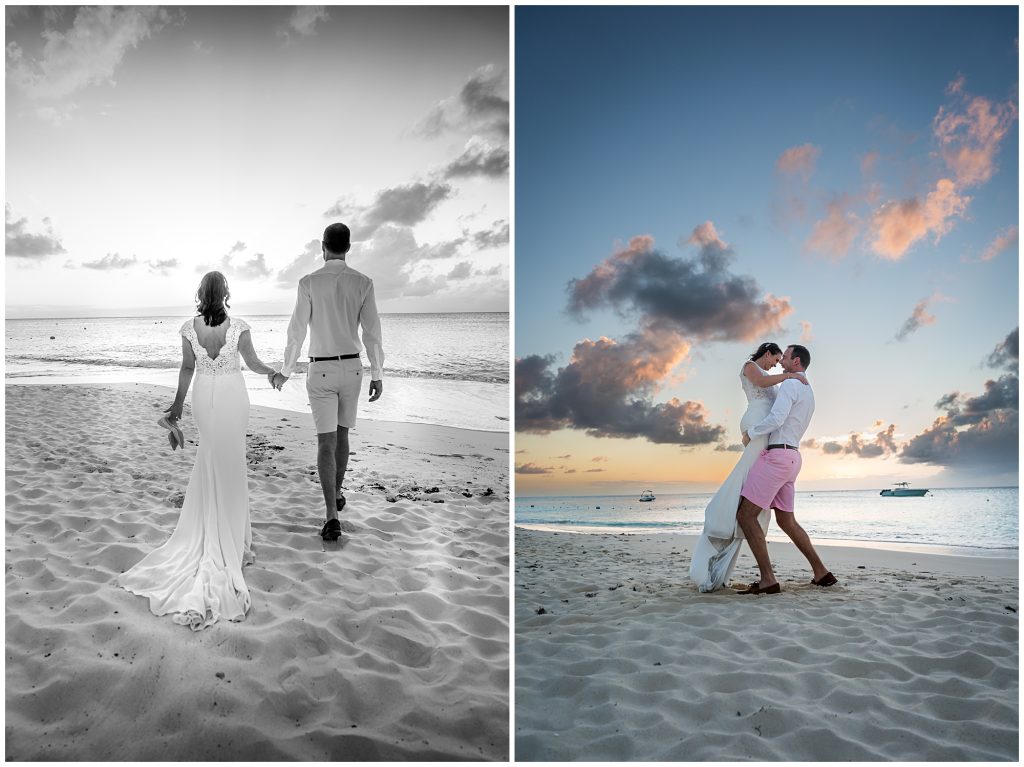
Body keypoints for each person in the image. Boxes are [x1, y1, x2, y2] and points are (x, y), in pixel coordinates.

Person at [118, 271, 279, 630]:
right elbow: (251, 364)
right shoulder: (238, 326)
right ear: (225, 294)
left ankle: (217, 530)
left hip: (203, 397)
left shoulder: (189, 328)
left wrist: (177, 408)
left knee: (210, 458)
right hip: (233, 395)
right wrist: (272, 373)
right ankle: (230, 540)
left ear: (200, 294)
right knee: (231, 462)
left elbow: (187, 368)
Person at [272, 223, 384, 542]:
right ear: (348, 247)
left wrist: (286, 369)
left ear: (323, 246)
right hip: (351, 368)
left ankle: (331, 516)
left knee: (326, 441)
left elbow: (297, 331)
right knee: (342, 435)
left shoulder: (308, 282)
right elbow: (372, 333)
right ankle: (336, 494)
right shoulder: (363, 282)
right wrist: (377, 372)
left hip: (319, 369)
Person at [689, 342, 808, 592]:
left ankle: (740, 517)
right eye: (776, 359)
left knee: (751, 483)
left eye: (781, 361)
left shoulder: (779, 380)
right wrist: (791, 375)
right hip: (757, 423)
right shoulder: (751, 367)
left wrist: (790, 380)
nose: (777, 364)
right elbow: (763, 384)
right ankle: (729, 515)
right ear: (767, 353)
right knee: (746, 480)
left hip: (766, 430)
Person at [735, 343, 836, 595]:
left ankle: (768, 579)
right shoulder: (808, 390)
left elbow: (777, 418)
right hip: (793, 458)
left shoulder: (791, 384)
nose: (782, 362)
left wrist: (752, 433)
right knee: (786, 520)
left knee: (745, 516)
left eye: (786, 357)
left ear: (797, 361)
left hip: (778, 456)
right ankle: (821, 573)